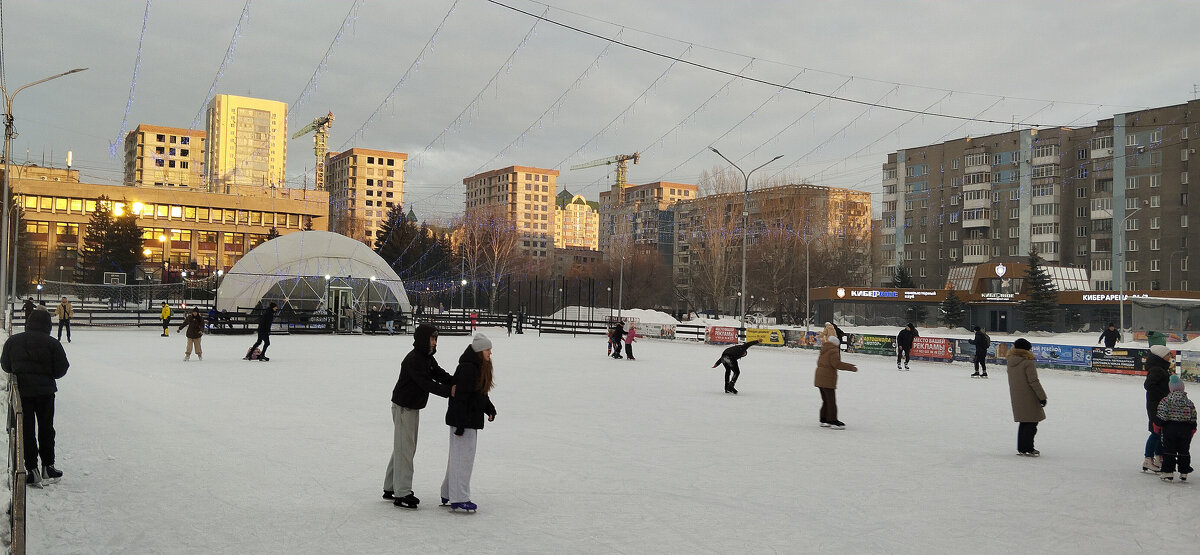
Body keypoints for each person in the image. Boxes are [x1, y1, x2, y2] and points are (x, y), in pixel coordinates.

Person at [384, 324, 454, 509]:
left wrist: (456, 381)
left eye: (436, 338)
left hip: (411, 406)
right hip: (403, 407)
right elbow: (425, 383)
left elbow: (438, 374)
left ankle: (390, 486)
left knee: (403, 447)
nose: (434, 341)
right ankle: (402, 492)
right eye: (432, 338)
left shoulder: (426, 357)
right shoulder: (414, 359)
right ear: (423, 339)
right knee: (406, 448)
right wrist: (450, 392)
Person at [1, 310, 69, 486]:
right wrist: (47, 375)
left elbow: (6, 366)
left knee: (27, 430)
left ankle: (31, 469)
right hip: (45, 392)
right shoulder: (52, 343)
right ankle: (48, 466)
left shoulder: (13, 341)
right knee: (46, 428)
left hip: (23, 392)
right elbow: (62, 368)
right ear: (48, 325)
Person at [440, 333, 497, 512]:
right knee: (462, 459)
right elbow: (461, 398)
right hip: (463, 421)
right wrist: (461, 425)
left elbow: (480, 394)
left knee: (458, 457)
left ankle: (448, 492)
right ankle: (459, 497)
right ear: (480, 350)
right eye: (488, 349)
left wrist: (489, 409)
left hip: (467, 419)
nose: (490, 353)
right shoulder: (468, 369)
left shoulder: (477, 367)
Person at [1006, 338, 1047, 456]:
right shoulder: (1027, 362)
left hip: (1017, 395)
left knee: (1024, 422)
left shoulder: (1011, 361)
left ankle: (1022, 448)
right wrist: (1042, 397)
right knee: (1032, 422)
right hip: (1029, 395)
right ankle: (1028, 447)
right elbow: (1034, 381)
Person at [815, 324, 858, 429]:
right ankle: (833, 421)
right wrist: (851, 367)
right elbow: (836, 364)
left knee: (826, 400)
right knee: (831, 400)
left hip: (819, 379)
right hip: (827, 379)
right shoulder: (834, 351)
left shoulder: (824, 350)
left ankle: (824, 419)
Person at [1155, 375, 1196, 482]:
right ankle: (1184, 472)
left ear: (1171, 388)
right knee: (1184, 451)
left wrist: (1157, 424)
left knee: (1169, 450)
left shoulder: (1166, 400)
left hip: (1170, 428)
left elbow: (1161, 414)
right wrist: (1193, 427)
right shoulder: (1189, 402)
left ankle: (1168, 472)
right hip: (1185, 429)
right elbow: (1193, 416)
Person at [1142, 344, 1173, 472]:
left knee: (1161, 432)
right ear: (1161, 356)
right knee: (1156, 432)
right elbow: (1149, 385)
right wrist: (1164, 395)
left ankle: (1159, 456)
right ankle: (1148, 459)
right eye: (1168, 354)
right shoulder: (1157, 370)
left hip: (1161, 404)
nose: (1170, 357)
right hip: (1156, 405)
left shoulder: (1161, 368)